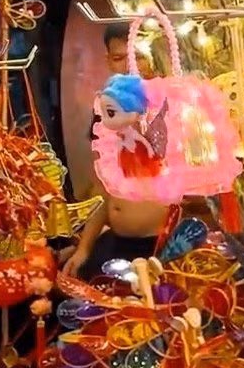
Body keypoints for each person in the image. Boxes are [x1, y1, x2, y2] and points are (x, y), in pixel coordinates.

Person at [62, 24, 173, 277]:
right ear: (109, 62)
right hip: (118, 244)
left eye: (139, 56)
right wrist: (84, 247)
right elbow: (104, 186)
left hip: (162, 247)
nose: (130, 66)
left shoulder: (172, 108)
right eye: (119, 58)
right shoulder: (107, 111)